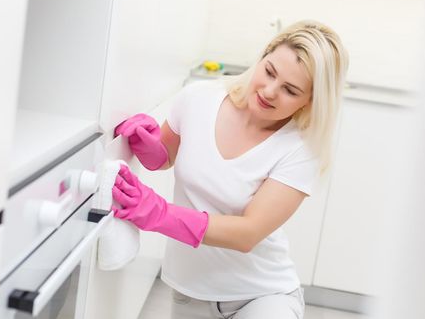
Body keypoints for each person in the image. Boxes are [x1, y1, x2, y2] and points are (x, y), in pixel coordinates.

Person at [111, 20, 348, 319]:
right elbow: (164, 157)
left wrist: (160, 213)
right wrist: (145, 143)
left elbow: (247, 234)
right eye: (270, 71)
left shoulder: (301, 149)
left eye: (290, 89)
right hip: (190, 292)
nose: (270, 91)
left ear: (309, 101)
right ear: (262, 57)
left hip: (261, 296)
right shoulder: (199, 98)